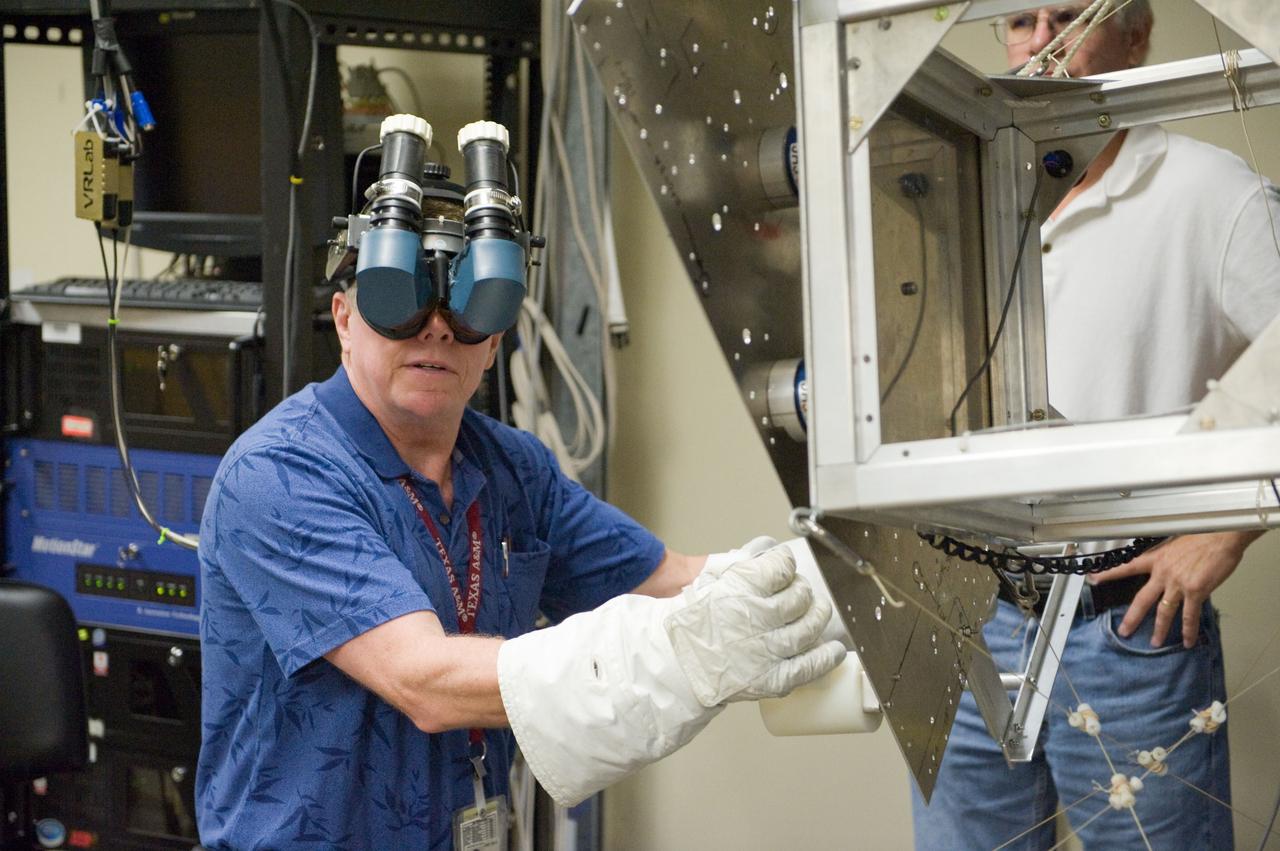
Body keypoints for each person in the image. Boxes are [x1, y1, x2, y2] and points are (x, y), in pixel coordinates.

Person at [194, 287, 846, 849]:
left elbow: (678, 581)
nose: (437, 328)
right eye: (401, 297)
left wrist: (837, 583)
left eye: (469, 303)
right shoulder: (280, 473)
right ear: (343, 316)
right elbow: (421, 678)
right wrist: (677, 654)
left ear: (495, 337)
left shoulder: (512, 468)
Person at [911, 2, 1280, 848]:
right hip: (969, 628)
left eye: (1070, 16)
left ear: (1136, 34)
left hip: (1127, 631)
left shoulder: (1210, 194)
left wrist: (1230, 526)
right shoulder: (956, 201)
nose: (1041, 44)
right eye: (1019, 22)